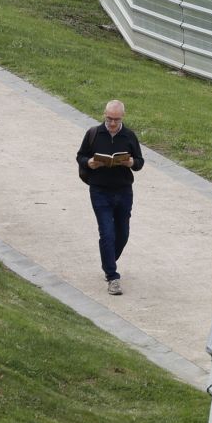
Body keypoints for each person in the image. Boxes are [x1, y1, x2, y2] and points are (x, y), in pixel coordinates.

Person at [77, 99, 145, 295]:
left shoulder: (129, 136)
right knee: (107, 233)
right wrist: (89, 162)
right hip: (99, 191)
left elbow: (139, 162)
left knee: (122, 233)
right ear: (104, 115)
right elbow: (80, 156)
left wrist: (131, 162)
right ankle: (112, 276)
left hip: (124, 191)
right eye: (109, 119)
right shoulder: (94, 134)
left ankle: (108, 260)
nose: (112, 123)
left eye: (116, 119)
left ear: (122, 117)